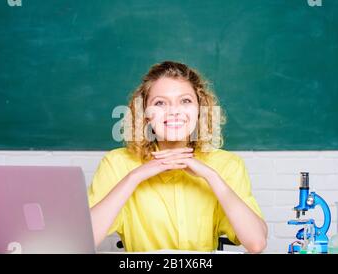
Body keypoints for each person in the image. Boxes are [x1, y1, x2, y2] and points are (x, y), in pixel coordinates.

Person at [88, 61, 267, 253]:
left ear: (200, 109)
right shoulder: (117, 163)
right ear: (145, 114)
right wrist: (134, 177)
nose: (173, 111)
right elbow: (79, 242)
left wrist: (212, 177)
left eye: (185, 101)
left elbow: (256, 244)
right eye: (160, 103)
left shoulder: (227, 165)